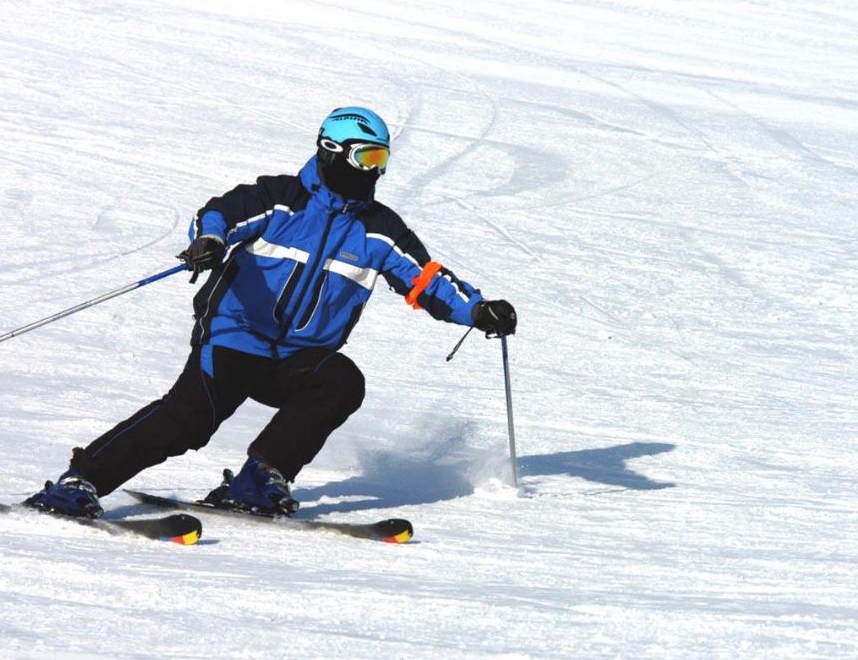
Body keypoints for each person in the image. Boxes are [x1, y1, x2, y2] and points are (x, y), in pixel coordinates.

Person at [26, 107, 517, 518]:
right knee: (188, 422)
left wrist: (477, 310)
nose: (375, 170)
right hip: (235, 339)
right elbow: (219, 213)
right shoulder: (278, 200)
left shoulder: (378, 229)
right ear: (332, 151)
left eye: (381, 158)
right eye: (366, 156)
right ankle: (81, 481)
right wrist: (210, 241)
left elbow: (425, 278)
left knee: (342, 381)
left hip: (299, 359)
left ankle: (262, 477)